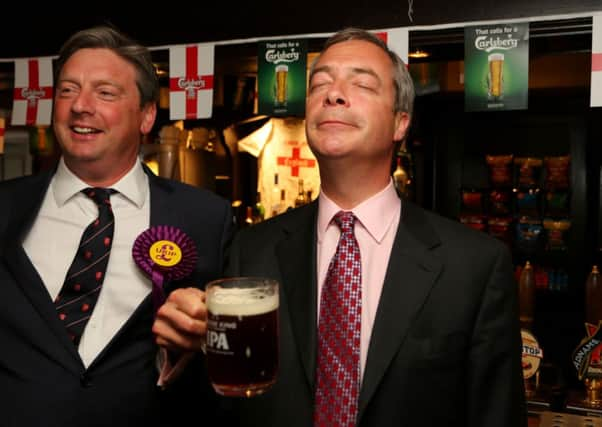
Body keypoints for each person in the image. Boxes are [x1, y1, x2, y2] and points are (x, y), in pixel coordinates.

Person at [155, 27, 526, 426]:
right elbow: (226, 408)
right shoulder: (253, 248)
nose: (333, 94)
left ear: (401, 123)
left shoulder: (474, 265)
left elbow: (496, 414)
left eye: (362, 83)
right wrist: (186, 351)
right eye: (319, 84)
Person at [0, 26, 233, 427]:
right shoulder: (6, 207)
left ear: (146, 116)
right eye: (68, 90)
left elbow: (229, 359)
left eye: (105, 93)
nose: (80, 106)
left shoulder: (206, 218)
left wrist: (201, 342)